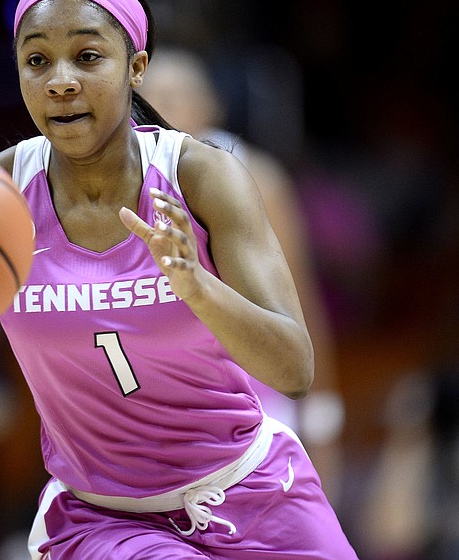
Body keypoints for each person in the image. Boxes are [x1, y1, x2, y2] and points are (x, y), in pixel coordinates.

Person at [0, 0, 359, 559]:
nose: (60, 81)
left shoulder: (202, 175)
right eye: (37, 61)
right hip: (102, 518)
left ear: (136, 67)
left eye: (88, 57)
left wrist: (199, 288)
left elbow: (295, 369)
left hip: (250, 486)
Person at [138, 46, 346, 503]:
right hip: (165, 405)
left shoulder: (258, 177)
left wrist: (325, 420)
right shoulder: (120, 179)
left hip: (256, 399)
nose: (163, 108)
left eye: (177, 96)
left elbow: (303, 301)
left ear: (212, 105)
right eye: (153, 97)